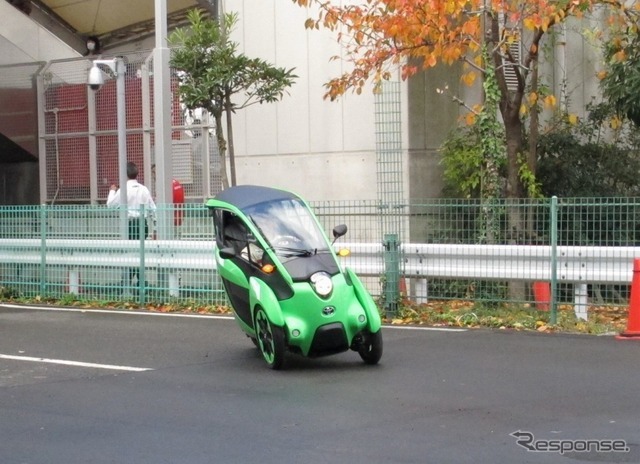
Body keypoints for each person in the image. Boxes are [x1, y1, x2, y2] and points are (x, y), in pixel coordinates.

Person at [107, 161, 156, 286]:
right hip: (142, 225)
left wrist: (112, 191)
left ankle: (128, 282)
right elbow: (153, 209)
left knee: (130, 254)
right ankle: (140, 283)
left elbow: (110, 205)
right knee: (139, 254)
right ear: (137, 174)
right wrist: (155, 228)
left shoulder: (123, 190)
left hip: (129, 225)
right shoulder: (144, 189)